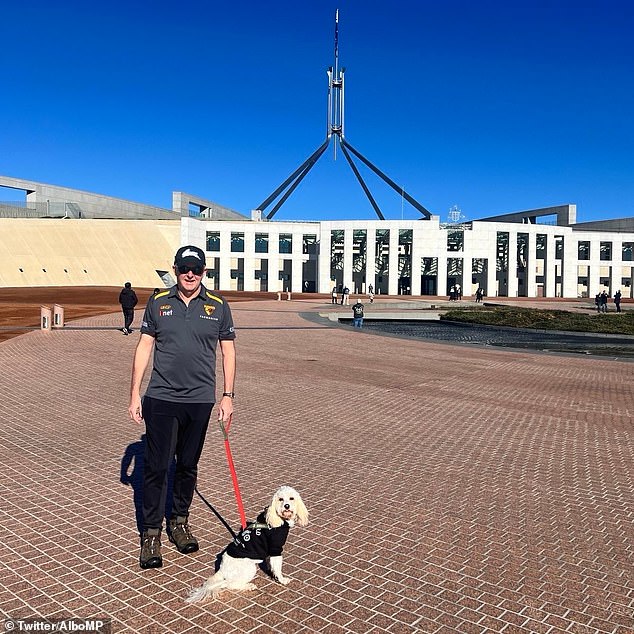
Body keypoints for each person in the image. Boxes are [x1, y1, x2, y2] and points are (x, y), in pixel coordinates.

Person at [128, 245, 236, 570]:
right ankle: (150, 535)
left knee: (188, 465)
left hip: (200, 400)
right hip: (161, 397)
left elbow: (228, 352)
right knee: (157, 467)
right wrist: (134, 393)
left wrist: (228, 395)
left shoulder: (218, 306)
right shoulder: (159, 302)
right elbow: (145, 345)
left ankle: (179, 522)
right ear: (175, 269)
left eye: (197, 269)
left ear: (204, 272)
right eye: (185, 268)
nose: (190, 274)